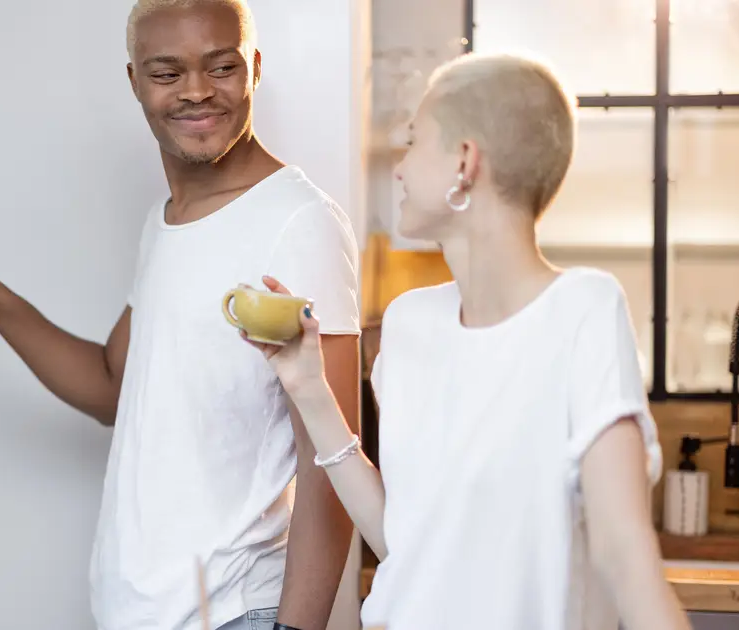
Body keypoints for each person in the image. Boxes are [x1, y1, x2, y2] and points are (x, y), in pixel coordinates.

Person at [0, 1, 361, 629]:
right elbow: (111, 383)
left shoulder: (300, 222)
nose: (196, 92)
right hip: (141, 610)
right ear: (133, 79)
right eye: (166, 73)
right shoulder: (167, 221)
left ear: (255, 69)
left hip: (234, 613)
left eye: (222, 67)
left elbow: (334, 459)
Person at [245, 53, 692, 630]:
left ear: (464, 161)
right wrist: (309, 390)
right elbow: (402, 541)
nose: (399, 169)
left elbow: (624, 557)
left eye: (414, 143)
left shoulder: (583, 310)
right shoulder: (408, 325)